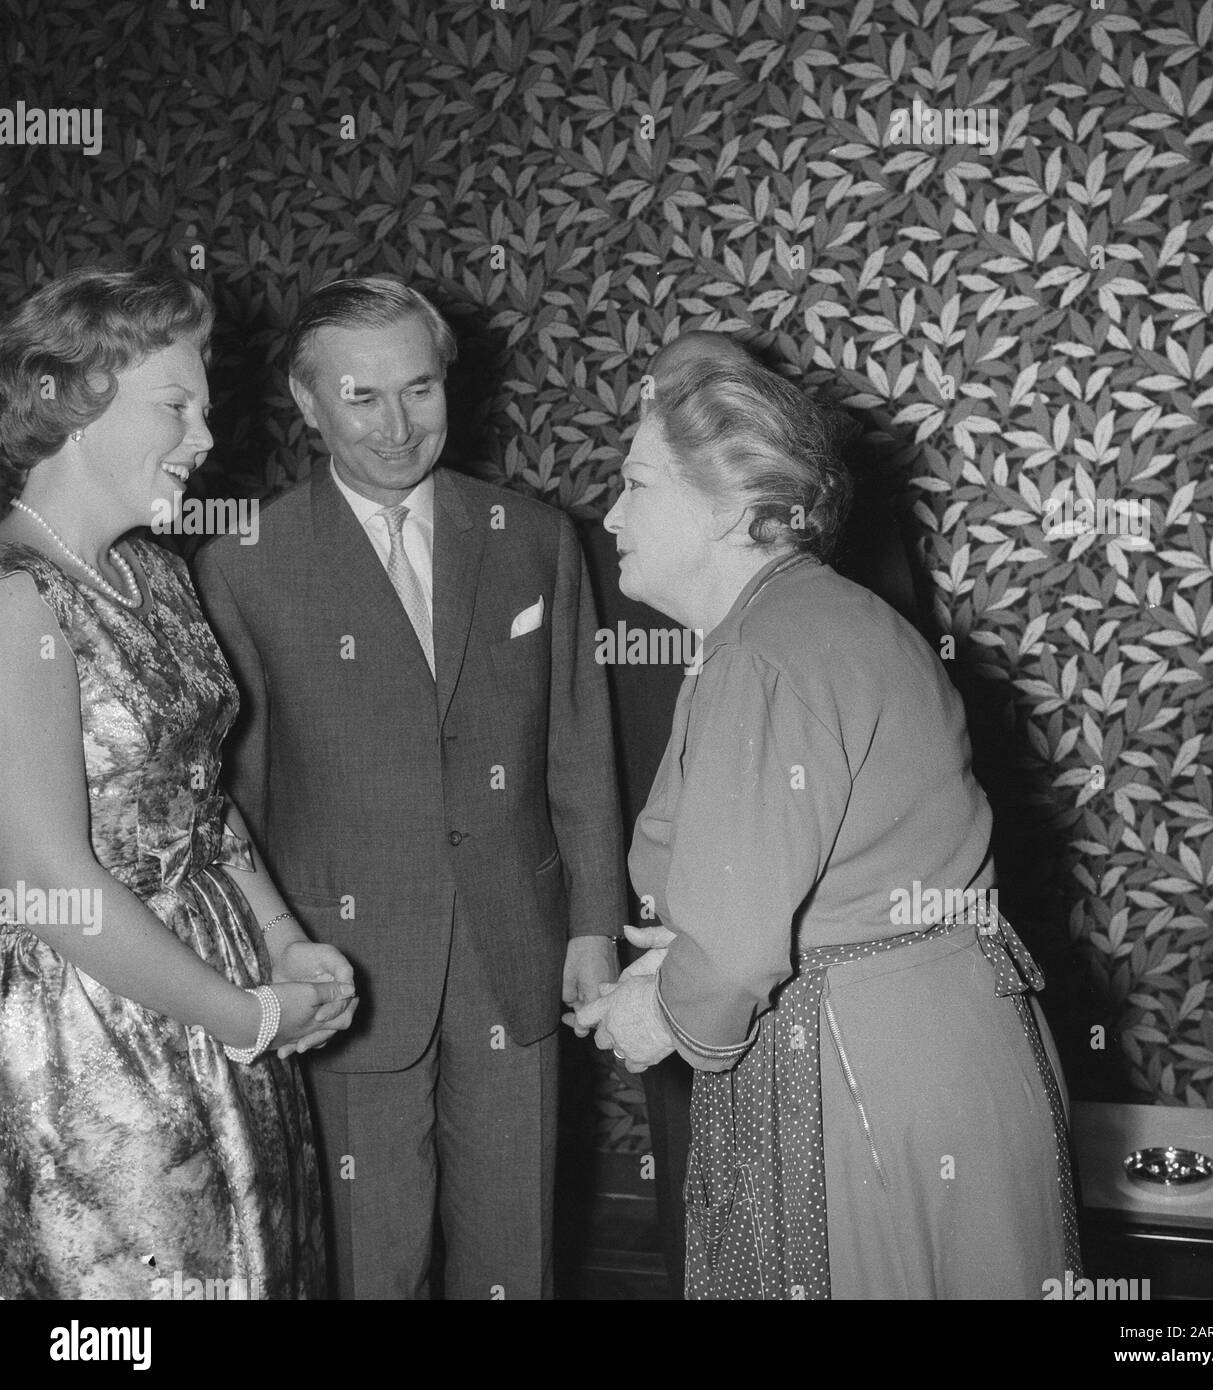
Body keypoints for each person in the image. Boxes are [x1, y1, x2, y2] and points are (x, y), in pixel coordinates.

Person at [572, 334, 1082, 1299]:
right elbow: (811, 876)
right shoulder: (826, 616)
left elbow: (731, 953)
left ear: (730, 509)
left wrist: (659, 1010)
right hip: (942, 1041)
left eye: (635, 484)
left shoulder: (759, 656)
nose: (608, 514)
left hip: (858, 1074)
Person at [194, 276, 625, 1300]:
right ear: (307, 404)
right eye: (361, 398)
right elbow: (231, 801)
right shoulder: (244, 565)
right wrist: (270, 964)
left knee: (514, 1260)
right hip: (342, 967)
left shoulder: (530, 537)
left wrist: (593, 925)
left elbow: (577, 745)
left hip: (514, 951)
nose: (397, 426)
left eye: (420, 390)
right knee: (369, 1265)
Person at [0, 264, 356, 1300]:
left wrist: (283, 939)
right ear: (66, 403)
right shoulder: (19, 599)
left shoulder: (154, 569)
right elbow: (44, 882)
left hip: (216, 992)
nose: (205, 436)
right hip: (90, 1032)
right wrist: (245, 1017)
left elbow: (197, 795)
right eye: (176, 405)